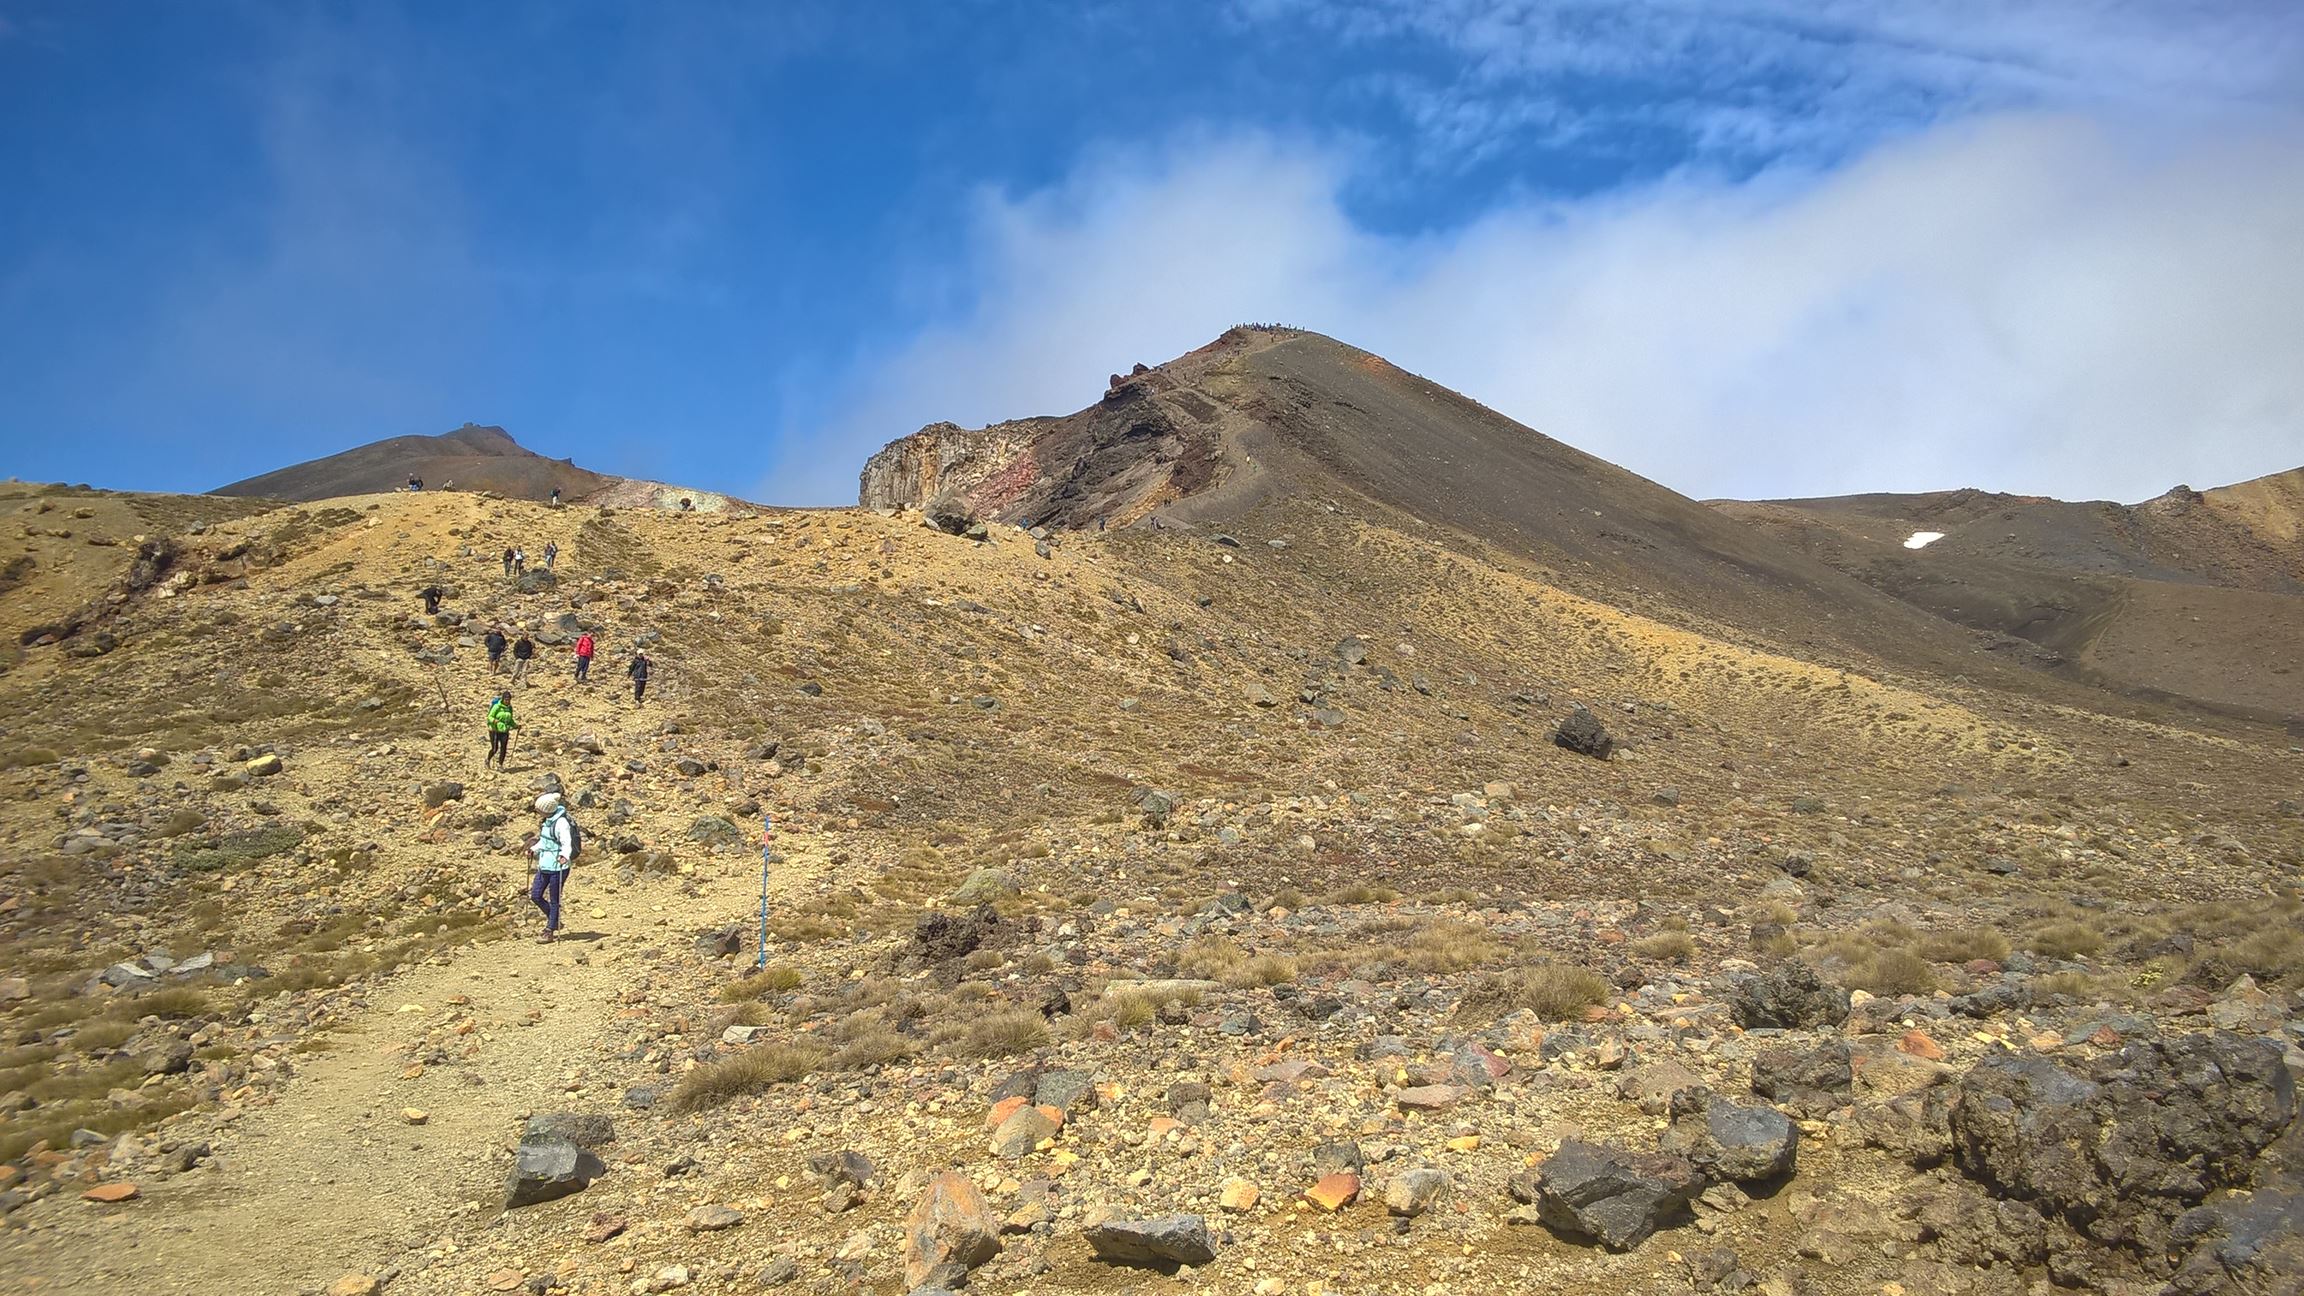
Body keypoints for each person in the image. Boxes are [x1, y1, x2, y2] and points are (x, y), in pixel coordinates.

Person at [526, 793, 573, 942]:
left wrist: (565, 855)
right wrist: (534, 849)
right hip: (545, 864)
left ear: (546, 810)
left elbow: (567, 842)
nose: (537, 811)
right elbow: (545, 842)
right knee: (536, 895)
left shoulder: (561, 823)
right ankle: (555, 919)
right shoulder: (547, 821)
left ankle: (550, 930)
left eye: (539, 809)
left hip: (558, 867)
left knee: (554, 899)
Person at [485, 691, 516, 769]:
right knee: (495, 748)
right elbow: (489, 717)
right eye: (506, 699)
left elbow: (510, 720)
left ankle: (500, 765)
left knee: (504, 748)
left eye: (508, 699)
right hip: (494, 730)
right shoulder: (497, 707)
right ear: (502, 699)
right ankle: (488, 760)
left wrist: (515, 726)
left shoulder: (509, 708)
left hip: (504, 730)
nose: (507, 701)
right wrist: (493, 720)